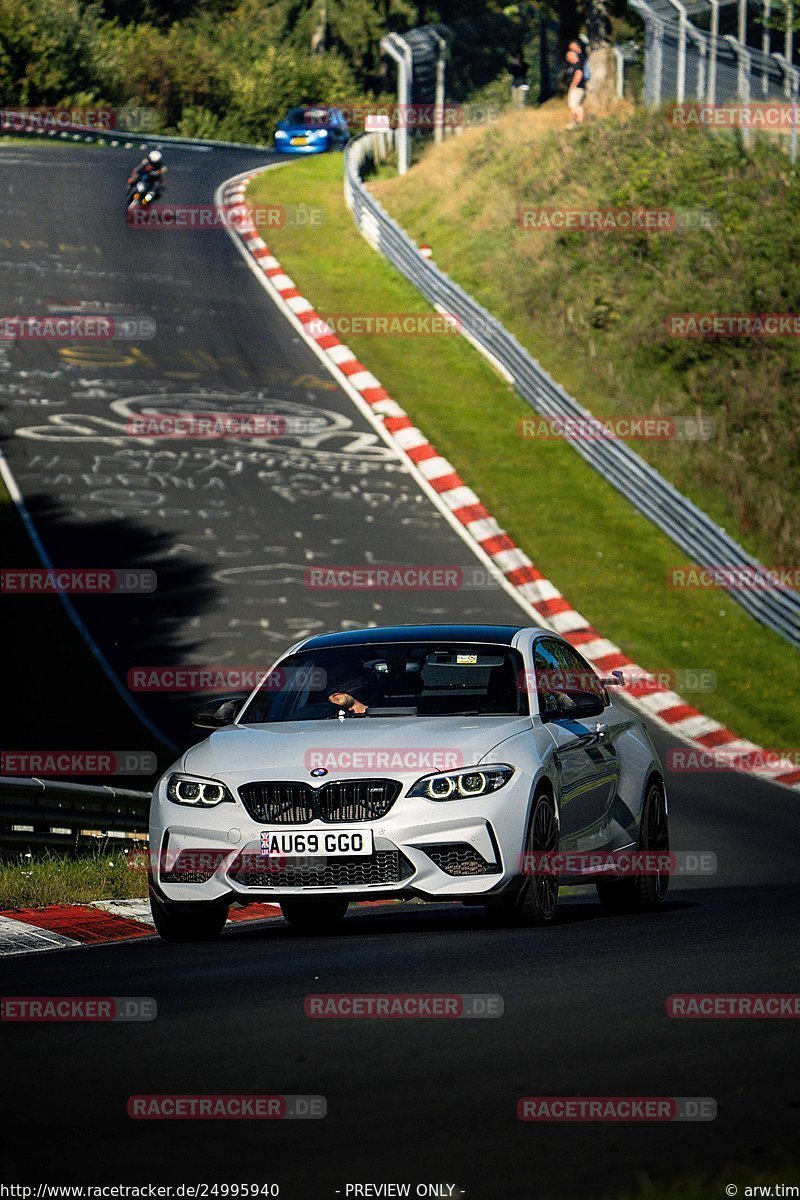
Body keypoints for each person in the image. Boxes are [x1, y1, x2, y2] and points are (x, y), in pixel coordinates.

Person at [564, 48, 585, 128]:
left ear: (574, 56)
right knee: (579, 106)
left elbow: (579, 74)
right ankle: (579, 123)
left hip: (576, 88)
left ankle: (574, 123)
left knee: (574, 106)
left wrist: (573, 86)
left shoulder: (577, 65)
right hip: (579, 88)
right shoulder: (574, 65)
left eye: (569, 56)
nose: (567, 58)